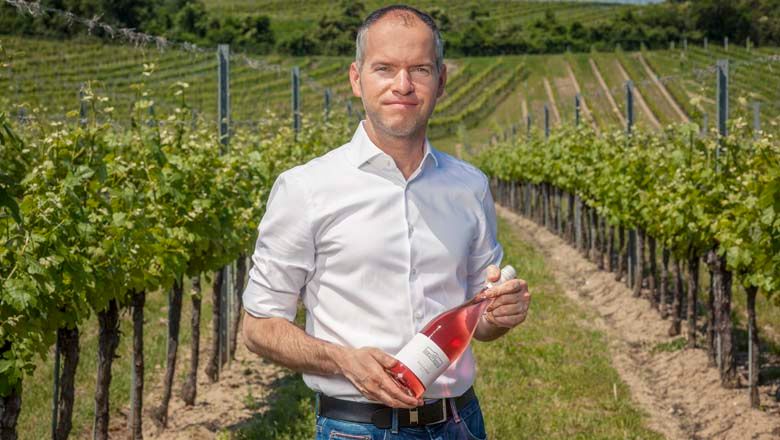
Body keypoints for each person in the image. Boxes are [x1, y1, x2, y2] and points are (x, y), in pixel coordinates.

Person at [242, 5, 531, 439]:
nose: (403, 85)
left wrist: (500, 315)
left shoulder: (469, 186)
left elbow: (480, 320)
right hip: (357, 429)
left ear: (441, 81)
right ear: (357, 79)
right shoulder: (306, 188)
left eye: (420, 69)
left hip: (459, 424)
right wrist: (342, 360)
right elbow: (258, 326)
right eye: (384, 69)